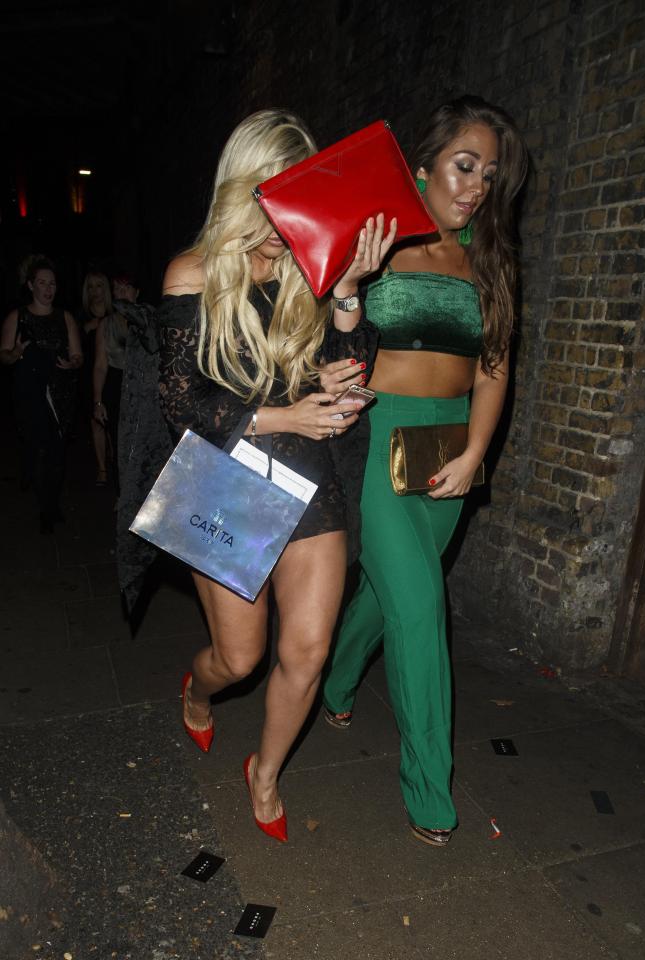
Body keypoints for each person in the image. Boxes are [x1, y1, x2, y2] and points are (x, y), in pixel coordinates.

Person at [158, 109, 396, 842]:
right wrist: (288, 412)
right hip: (225, 477)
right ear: (247, 188)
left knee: (309, 649)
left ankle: (264, 771)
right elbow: (183, 404)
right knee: (239, 657)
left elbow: (352, 367)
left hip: (306, 478)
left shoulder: (307, 265)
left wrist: (351, 289)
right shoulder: (193, 272)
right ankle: (198, 694)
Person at [322, 96, 528, 846]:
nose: (474, 185)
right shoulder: (382, 242)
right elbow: (328, 335)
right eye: (462, 166)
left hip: (450, 447)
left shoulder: (490, 257)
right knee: (419, 606)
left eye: (487, 174)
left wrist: (477, 451)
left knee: (390, 596)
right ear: (423, 166)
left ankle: (337, 683)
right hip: (376, 436)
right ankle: (430, 795)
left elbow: (495, 366)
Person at [0, 256, 82, 532]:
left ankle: (52, 502)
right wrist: (16, 352)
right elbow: (5, 356)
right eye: (43, 283)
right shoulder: (18, 316)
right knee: (38, 450)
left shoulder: (65, 316)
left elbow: (78, 355)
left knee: (57, 453)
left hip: (60, 392)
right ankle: (46, 509)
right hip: (30, 393)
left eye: (52, 284)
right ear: (30, 285)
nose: (48, 289)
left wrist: (73, 363)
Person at [79, 270, 113, 485]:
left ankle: (115, 459)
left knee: (114, 421)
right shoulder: (81, 316)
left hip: (115, 374)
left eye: (99, 285)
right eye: (90, 286)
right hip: (90, 375)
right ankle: (102, 468)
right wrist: (86, 329)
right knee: (96, 421)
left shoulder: (116, 313)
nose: (95, 291)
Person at [92, 287, 127, 492]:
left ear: (137, 292)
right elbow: (100, 366)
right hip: (116, 385)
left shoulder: (148, 319)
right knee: (118, 442)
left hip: (143, 388)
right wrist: (98, 401)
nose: (122, 294)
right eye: (118, 289)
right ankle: (121, 494)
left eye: (127, 289)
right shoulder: (106, 324)